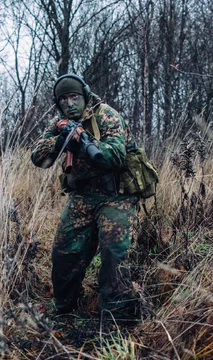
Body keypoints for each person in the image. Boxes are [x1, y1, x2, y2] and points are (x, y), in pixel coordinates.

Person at [31, 73, 139, 321]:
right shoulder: (60, 122)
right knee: (64, 252)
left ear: (85, 96)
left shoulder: (106, 115)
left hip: (115, 194)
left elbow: (115, 156)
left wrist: (85, 144)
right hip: (82, 194)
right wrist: (61, 140)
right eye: (64, 99)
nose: (70, 103)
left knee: (114, 252)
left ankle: (118, 315)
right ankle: (65, 308)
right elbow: (38, 157)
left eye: (74, 97)